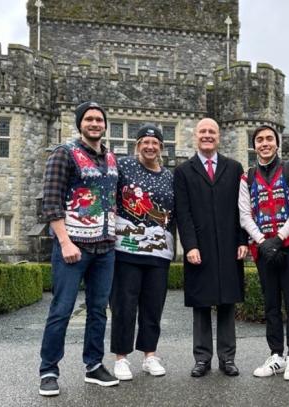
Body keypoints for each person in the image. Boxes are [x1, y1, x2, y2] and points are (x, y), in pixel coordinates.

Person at [38, 101, 120, 396]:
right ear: (80, 123)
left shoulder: (111, 158)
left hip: (105, 248)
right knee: (62, 309)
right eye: (89, 119)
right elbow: (51, 202)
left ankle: (94, 365)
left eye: (99, 119)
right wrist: (64, 242)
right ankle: (48, 370)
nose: (95, 123)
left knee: (99, 310)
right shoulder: (64, 154)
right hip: (74, 247)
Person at [174, 118, 248, 378]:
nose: (207, 135)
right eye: (203, 131)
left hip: (229, 244)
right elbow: (182, 213)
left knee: (228, 302)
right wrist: (190, 246)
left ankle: (227, 358)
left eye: (212, 132)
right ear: (196, 136)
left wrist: (242, 240)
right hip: (200, 247)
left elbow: (242, 210)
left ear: (218, 137)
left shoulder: (235, 167)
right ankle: (202, 358)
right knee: (201, 304)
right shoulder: (183, 171)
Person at [238, 125, 289, 381]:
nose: (265, 143)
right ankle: (275, 354)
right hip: (263, 250)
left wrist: (278, 239)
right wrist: (262, 241)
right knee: (270, 304)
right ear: (254, 145)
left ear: (277, 144)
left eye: (269, 139)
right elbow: (245, 214)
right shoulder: (247, 176)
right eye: (259, 140)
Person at [110, 124, 175, 380]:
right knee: (124, 304)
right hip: (127, 249)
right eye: (145, 142)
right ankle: (121, 357)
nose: (150, 146)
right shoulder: (122, 166)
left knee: (153, 306)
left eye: (155, 142)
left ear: (161, 147)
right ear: (137, 145)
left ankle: (150, 355)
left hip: (159, 251)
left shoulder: (169, 176)